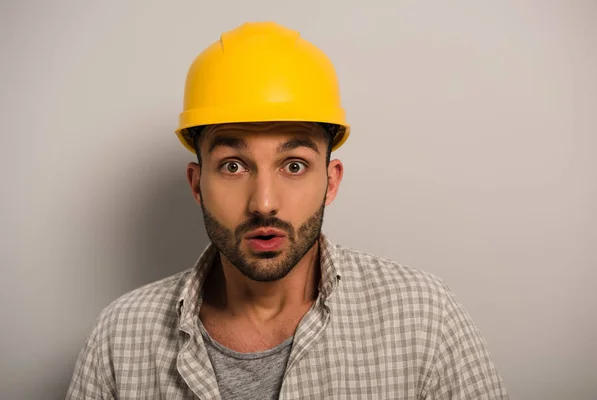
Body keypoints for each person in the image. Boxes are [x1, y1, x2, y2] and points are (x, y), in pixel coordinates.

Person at [67, 22, 508, 399]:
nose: (264, 203)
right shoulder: (120, 336)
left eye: (294, 165)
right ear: (197, 183)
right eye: (233, 166)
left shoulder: (425, 317)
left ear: (331, 181)